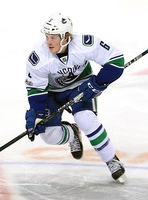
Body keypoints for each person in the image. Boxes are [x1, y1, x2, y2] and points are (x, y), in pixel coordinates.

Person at [24, 13, 126, 182]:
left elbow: (116, 60)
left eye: (54, 37)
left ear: (66, 37)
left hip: (81, 87)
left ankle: (111, 160)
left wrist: (98, 83)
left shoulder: (85, 44)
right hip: (53, 93)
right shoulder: (38, 57)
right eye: (47, 36)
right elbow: (36, 90)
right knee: (49, 136)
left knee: (86, 119)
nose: (48, 41)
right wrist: (38, 115)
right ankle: (72, 133)